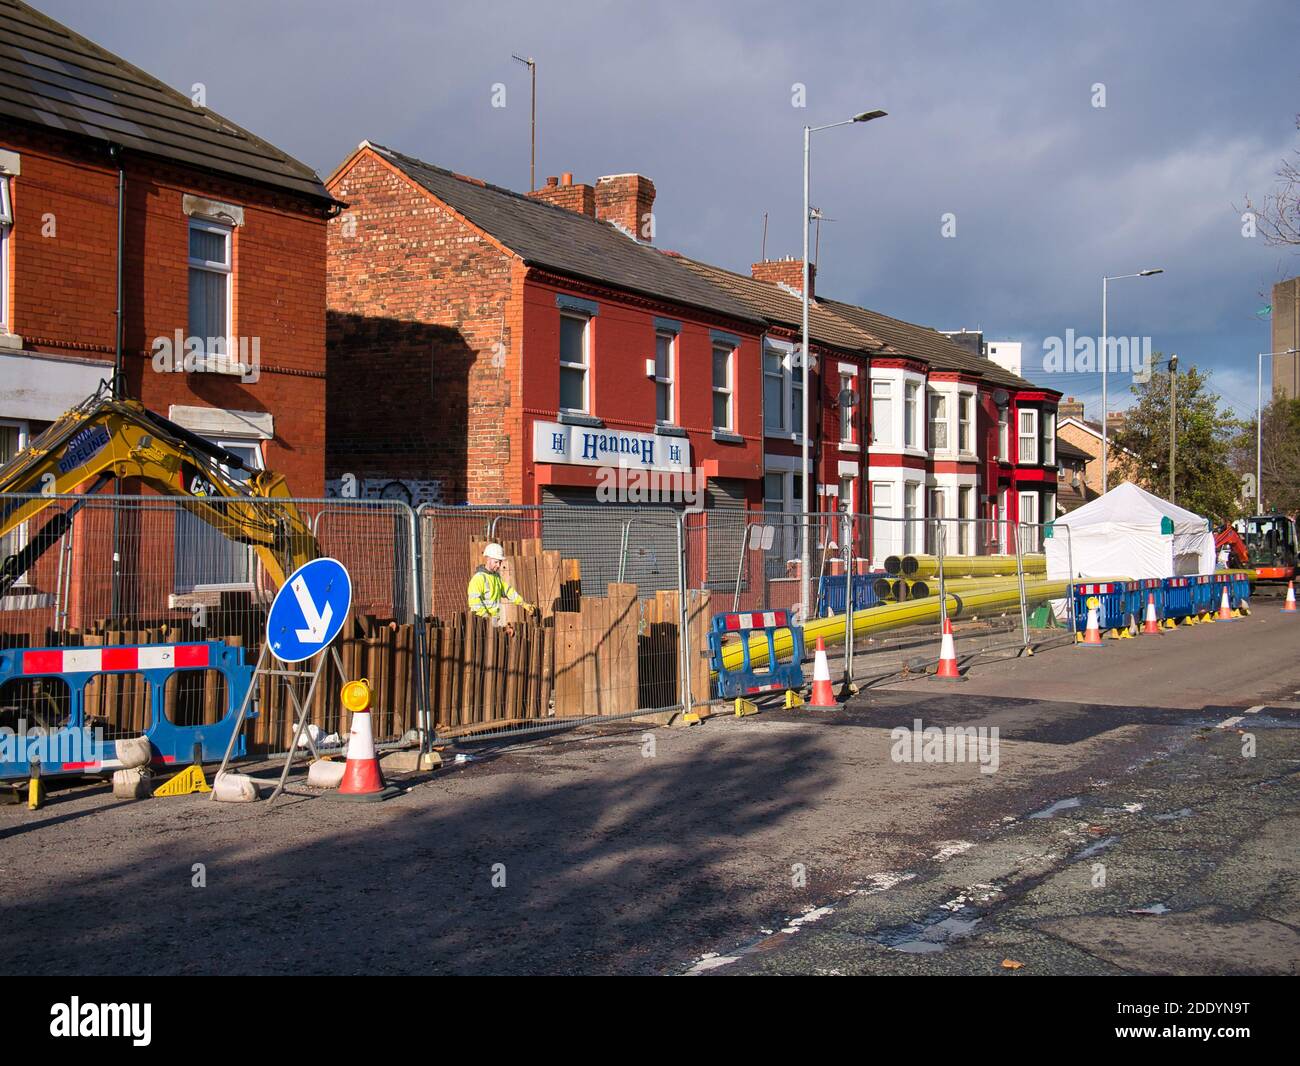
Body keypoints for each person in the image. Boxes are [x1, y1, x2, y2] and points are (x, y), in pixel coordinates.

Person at [468, 543, 537, 634]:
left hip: (494, 623)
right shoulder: (478, 579)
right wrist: (489, 621)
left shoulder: (496, 577)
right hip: (482, 626)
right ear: (488, 559)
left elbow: (508, 592)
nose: (499, 565)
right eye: (496, 562)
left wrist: (524, 604)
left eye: (500, 562)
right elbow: (475, 605)